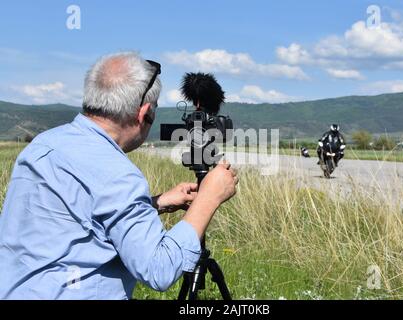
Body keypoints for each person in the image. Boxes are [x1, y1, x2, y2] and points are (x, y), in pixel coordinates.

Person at [0, 52, 238, 299]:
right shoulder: (117, 173)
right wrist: (208, 197)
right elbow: (159, 269)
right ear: (143, 112)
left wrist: (154, 203)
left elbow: (76, 220)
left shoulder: (42, 145)